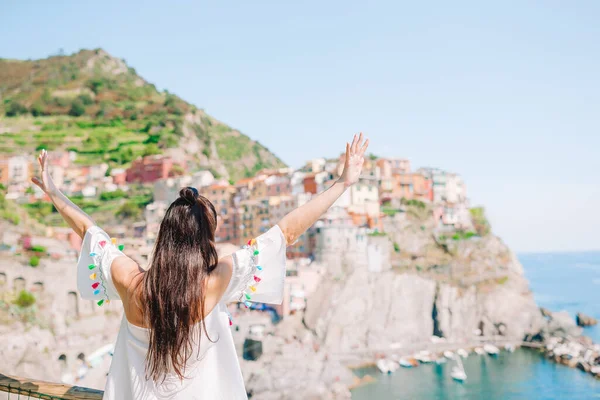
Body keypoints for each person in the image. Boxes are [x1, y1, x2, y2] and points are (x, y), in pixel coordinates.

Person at [32, 134, 369, 399]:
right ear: (205, 240)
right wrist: (341, 184)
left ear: (164, 236)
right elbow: (287, 231)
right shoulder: (214, 282)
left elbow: (89, 231)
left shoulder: (132, 283)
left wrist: (54, 191)